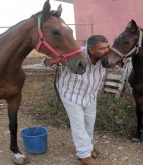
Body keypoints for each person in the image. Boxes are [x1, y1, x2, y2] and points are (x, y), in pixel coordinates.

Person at [43, 35, 110, 165]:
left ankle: (88, 147)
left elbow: (119, 63)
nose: (107, 50)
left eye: (107, 46)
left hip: (90, 96)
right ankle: (84, 154)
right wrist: (50, 61)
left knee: (89, 124)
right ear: (91, 50)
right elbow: (46, 62)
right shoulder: (74, 54)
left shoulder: (106, 57)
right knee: (78, 125)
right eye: (102, 48)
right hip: (71, 95)